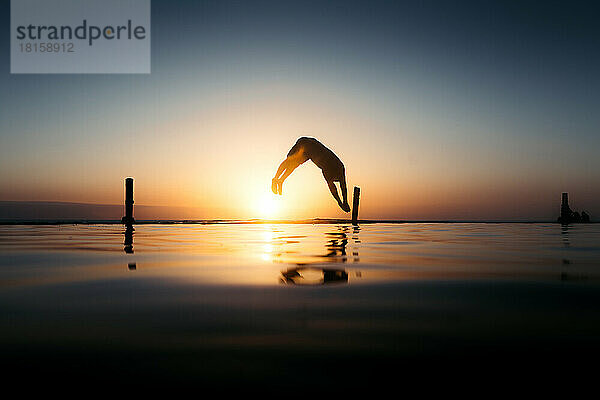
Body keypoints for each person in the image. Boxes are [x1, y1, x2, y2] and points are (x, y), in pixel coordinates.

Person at [272, 137, 351, 212]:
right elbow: (342, 187)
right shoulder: (338, 168)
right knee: (290, 161)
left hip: (310, 148)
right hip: (307, 144)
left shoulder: (327, 170)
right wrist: (342, 203)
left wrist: (342, 202)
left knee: (293, 164)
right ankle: (276, 179)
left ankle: (280, 180)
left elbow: (336, 188)